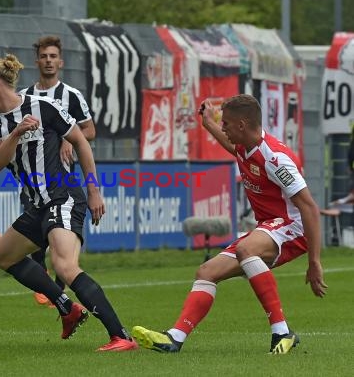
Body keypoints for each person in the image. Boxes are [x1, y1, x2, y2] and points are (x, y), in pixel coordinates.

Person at [132, 94, 327, 354]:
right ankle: (174, 338)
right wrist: (209, 124)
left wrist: (314, 262)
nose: (223, 128)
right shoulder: (245, 146)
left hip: (292, 227)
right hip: (269, 227)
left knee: (247, 250)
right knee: (206, 272)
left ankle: (282, 332)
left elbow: (309, 207)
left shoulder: (275, 158)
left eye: (226, 124)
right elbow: (231, 145)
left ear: (242, 126)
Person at [0, 54, 137, 352]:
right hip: (37, 205)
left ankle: (121, 336)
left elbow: (82, 142)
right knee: (4, 256)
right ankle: (67, 308)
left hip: (63, 197)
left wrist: (94, 190)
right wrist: (17, 132)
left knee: (65, 266)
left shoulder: (43, 107)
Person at [19, 35, 96, 306]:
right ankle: (47, 282)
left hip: (60, 179)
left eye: (53, 56)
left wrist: (67, 138)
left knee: (57, 234)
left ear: (60, 62)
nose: (48, 61)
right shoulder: (24, 98)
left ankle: (58, 288)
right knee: (36, 238)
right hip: (32, 181)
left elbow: (89, 130)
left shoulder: (71, 96)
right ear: (37, 60)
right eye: (44, 56)